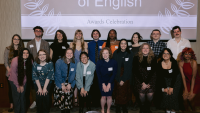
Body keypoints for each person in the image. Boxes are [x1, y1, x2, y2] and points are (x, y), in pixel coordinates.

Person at [27, 26, 50, 108]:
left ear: (42, 32)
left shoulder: (46, 43)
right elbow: (28, 56)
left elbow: (47, 56)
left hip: (44, 66)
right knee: (34, 84)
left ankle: (43, 101)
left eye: (40, 31)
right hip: (33, 67)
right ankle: (35, 101)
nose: (38, 32)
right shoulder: (29, 43)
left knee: (44, 83)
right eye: (36, 31)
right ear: (34, 32)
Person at [132, 43, 157, 113]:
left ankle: (147, 108)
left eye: (147, 48)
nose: (145, 50)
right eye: (144, 48)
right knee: (141, 94)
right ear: (141, 49)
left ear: (149, 49)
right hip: (139, 79)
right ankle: (142, 108)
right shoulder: (136, 57)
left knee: (150, 94)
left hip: (151, 79)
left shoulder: (153, 57)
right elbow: (135, 71)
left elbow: (153, 71)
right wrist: (143, 83)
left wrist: (146, 83)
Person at [157, 48, 181, 113]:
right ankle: (167, 109)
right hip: (164, 81)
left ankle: (173, 110)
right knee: (166, 94)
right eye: (164, 53)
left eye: (168, 53)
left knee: (173, 94)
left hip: (175, 81)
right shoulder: (159, 63)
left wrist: (171, 87)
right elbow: (160, 77)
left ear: (170, 55)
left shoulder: (174, 62)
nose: (166, 55)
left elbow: (174, 76)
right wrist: (165, 87)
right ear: (162, 55)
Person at [4, 34, 24, 112]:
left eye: (18, 39)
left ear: (19, 41)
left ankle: (19, 105)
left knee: (19, 89)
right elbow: (5, 62)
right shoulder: (7, 49)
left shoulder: (22, 50)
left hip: (20, 74)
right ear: (12, 40)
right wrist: (10, 71)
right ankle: (12, 105)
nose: (16, 40)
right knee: (11, 89)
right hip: (10, 73)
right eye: (15, 39)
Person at [8, 48, 32, 113]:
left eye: (27, 53)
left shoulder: (30, 61)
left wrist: (22, 84)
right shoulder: (15, 60)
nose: (25, 54)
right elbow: (13, 74)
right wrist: (18, 85)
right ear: (21, 54)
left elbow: (27, 75)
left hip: (24, 80)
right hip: (14, 80)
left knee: (23, 97)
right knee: (17, 97)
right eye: (24, 53)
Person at [113, 39, 133, 113]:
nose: (123, 45)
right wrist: (118, 79)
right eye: (122, 43)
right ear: (119, 44)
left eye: (125, 43)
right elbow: (114, 67)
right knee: (118, 91)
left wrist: (123, 79)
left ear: (127, 45)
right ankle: (118, 106)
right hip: (117, 75)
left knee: (125, 91)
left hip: (127, 76)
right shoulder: (116, 53)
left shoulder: (130, 53)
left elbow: (129, 68)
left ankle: (124, 107)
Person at [54, 48, 77, 113]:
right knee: (62, 101)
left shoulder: (75, 62)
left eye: (71, 53)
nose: (69, 54)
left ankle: (68, 110)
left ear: (73, 54)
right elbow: (58, 74)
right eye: (68, 53)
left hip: (70, 82)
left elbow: (74, 74)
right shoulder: (59, 61)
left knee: (68, 101)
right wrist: (62, 85)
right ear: (65, 54)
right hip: (60, 82)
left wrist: (70, 84)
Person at [96, 47, 118, 113]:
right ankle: (102, 109)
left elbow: (114, 74)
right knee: (103, 96)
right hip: (101, 81)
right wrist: (103, 84)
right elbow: (98, 74)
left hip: (110, 81)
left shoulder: (114, 62)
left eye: (106, 53)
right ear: (101, 55)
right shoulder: (99, 62)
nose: (105, 55)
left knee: (109, 96)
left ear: (109, 54)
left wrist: (109, 84)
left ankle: (108, 109)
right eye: (103, 53)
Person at [70, 29, 88, 106]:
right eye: (77, 34)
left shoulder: (85, 44)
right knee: (74, 81)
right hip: (73, 65)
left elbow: (86, 56)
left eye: (80, 34)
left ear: (82, 35)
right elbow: (70, 55)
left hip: (82, 65)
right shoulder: (71, 44)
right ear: (75, 35)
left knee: (81, 82)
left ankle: (82, 97)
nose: (78, 35)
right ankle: (75, 97)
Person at [88, 29, 104, 107]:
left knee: (100, 84)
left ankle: (99, 102)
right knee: (93, 85)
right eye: (94, 33)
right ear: (92, 35)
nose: (95, 35)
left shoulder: (103, 43)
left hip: (101, 67)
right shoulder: (89, 44)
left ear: (99, 34)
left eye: (97, 33)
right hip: (92, 67)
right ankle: (93, 102)